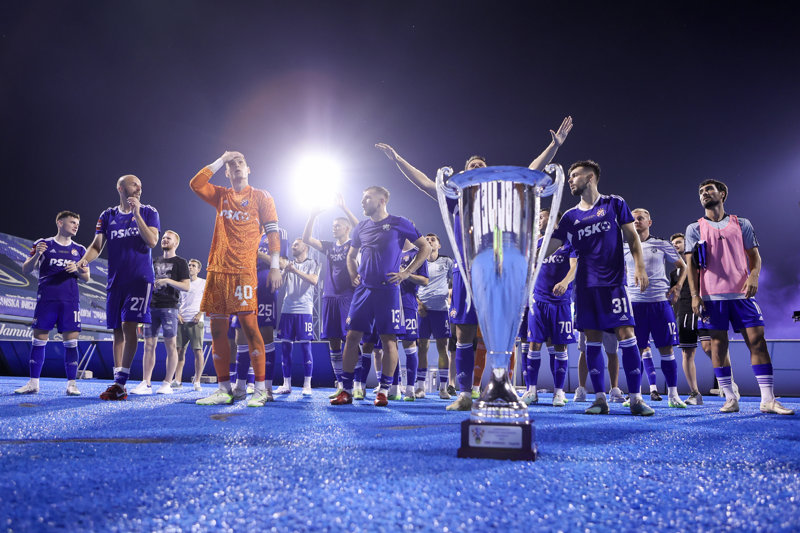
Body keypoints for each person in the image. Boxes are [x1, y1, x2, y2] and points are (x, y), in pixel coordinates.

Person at [375, 115, 573, 411]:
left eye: (482, 165)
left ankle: (500, 387)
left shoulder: (502, 198)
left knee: (502, 332)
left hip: (498, 270)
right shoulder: (456, 199)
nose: (477, 168)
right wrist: (398, 159)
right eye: (472, 166)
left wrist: (553, 147)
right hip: (466, 272)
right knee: (463, 333)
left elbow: (531, 172)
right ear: (464, 174)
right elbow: (424, 182)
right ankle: (466, 394)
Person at [544, 160, 654, 416]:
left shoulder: (614, 203)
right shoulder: (570, 216)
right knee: (591, 341)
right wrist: (528, 257)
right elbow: (553, 246)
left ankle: (636, 399)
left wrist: (639, 267)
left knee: (627, 335)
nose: (570, 180)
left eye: (575, 175)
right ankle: (599, 399)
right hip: (585, 288)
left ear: (590, 177)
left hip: (613, 284)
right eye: (569, 176)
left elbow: (632, 237)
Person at [684, 180, 793, 415]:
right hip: (711, 297)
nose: (704, 194)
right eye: (701, 191)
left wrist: (753, 276)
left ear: (722, 194)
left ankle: (768, 399)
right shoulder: (694, 228)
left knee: (757, 341)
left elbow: (755, 257)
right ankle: (730, 398)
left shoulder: (741, 223)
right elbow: (691, 266)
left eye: (709, 190)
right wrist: (694, 295)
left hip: (742, 294)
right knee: (718, 346)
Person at [189, 151, 282, 407]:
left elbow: (273, 233)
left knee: (250, 329)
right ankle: (224, 389)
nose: (237, 166)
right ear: (227, 173)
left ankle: (260, 389)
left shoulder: (262, 196)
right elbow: (195, 184)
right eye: (232, 165)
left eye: (241, 163)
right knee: (218, 331)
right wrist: (221, 159)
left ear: (248, 169)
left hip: (243, 272)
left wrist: (275, 266)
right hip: (218, 270)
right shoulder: (221, 195)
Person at [330, 186, 431, 406]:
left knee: (388, 340)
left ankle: (384, 390)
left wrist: (406, 273)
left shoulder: (400, 222)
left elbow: (425, 247)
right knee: (352, 337)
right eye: (363, 198)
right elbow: (351, 256)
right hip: (364, 290)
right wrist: (353, 274)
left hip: (388, 291)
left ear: (382, 200)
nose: (363, 201)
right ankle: (346, 390)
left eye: (367, 198)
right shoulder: (361, 227)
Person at [77, 175, 160, 400]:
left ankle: (121, 383)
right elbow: (97, 246)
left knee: (128, 325)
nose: (139, 188)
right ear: (121, 188)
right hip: (115, 280)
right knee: (117, 330)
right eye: (134, 184)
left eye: (141, 185)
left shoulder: (149, 212)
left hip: (140, 279)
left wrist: (136, 214)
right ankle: (117, 382)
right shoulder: (107, 215)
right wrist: (84, 260)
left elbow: (152, 241)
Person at [16, 211, 89, 396]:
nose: (76, 226)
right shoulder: (43, 244)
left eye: (77, 223)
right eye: (72, 222)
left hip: (69, 302)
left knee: (71, 342)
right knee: (39, 340)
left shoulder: (80, 249)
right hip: (47, 300)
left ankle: (72, 384)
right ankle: (33, 383)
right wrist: (37, 255)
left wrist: (77, 269)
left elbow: (87, 277)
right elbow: (25, 269)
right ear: (60, 223)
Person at [622, 209, 687, 408]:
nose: (636, 221)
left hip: (660, 303)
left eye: (640, 218)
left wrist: (677, 287)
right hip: (634, 305)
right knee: (636, 350)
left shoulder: (662, 244)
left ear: (649, 222)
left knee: (666, 349)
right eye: (633, 219)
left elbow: (683, 266)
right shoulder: (623, 247)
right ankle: (635, 394)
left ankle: (673, 395)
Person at [302, 194, 359, 398]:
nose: (334, 228)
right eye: (333, 226)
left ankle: (356, 384)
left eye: (338, 226)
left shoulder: (353, 244)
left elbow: (361, 228)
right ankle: (341, 384)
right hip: (329, 297)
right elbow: (307, 239)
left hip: (348, 297)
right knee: (333, 342)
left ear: (347, 228)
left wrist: (345, 209)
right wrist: (312, 216)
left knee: (351, 340)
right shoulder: (329, 246)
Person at [523, 208, 577, 407]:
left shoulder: (568, 243)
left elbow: (575, 266)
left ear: (554, 218)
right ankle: (531, 391)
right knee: (534, 344)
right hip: (538, 301)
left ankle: (559, 392)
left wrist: (564, 282)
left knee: (560, 346)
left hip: (560, 303)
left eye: (541, 217)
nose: (538, 220)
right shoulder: (536, 244)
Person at [131, 230, 190, 395]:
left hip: (170, 307)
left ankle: (167, 383)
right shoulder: (154, 260)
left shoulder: (180, 262)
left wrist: (167, 281)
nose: (164, 240)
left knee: (171, 345)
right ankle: (146, 382)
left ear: (176, 243)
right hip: (151, 307)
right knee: (148, 345)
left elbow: (186, 286)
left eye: (168, 238)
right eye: (163, 238)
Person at [275, 239, 320, 395]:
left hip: (304, 310)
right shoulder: (289, 265)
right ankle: (286, 384)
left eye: (296, 244)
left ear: (305, 247)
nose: (293, 246)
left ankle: (307, 385)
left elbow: (314, 280)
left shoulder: (313, 263)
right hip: (287, 309)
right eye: (292, 244)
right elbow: (279, 284)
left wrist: (294, 271)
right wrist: (285, 271)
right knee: (285, 348)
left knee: (306, 347)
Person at [415, 233, 453, 399]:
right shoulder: (418, 261)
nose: (429, 241)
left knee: (443, 348)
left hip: (441, 311)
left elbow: (455, 283)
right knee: (422, 348)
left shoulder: (447, 261)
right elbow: (409, 285)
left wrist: (451, 299)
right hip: (422, 312)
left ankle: (443, 388)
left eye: (433, 239)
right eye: (427, 239)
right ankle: (420, 387)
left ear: (439, 245)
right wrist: (418, 304)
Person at [396, 239, 429, 400]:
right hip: (389, 302)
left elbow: (425, 280)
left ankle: (410, 388)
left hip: (408, 302)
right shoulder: (391, 250)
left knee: (409, 343)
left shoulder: (418, 253)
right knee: (389, 343)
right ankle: (394, 386)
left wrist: (406, 274)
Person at [175, 258, 206, 391]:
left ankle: (197, 381)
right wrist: (177, 314)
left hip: (195, 322)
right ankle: (177, 380)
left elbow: (207, 300)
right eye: (189, 265)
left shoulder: (203, 283)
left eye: (193, 266)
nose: (190, 267)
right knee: (179, 351)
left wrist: (200, 314)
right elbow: (176, 300)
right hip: (181, 321)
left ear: (198, 270)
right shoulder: (181, 283)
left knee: (197, 351)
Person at [573, 332, 623, 402]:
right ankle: (581, 389)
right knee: (584, 350)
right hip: (588, 325)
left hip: (607, 325)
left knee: (612, 351)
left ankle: (614, 389)